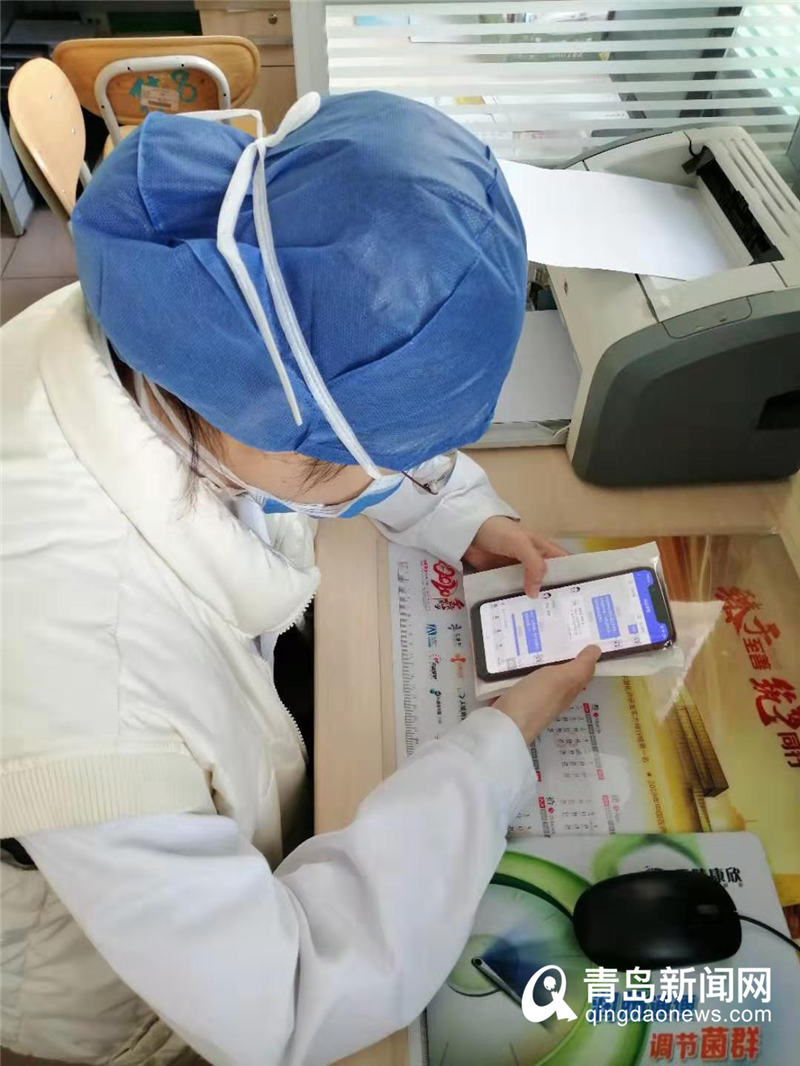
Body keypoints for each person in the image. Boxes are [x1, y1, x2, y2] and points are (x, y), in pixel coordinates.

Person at [0, 91, 598, 1066]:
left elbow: (330, 377)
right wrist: (499, 743)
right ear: (285, 433)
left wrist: (462, 518)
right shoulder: (92, 680)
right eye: (366, 459)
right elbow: (283, 999)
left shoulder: (186, 306)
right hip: (111, 973)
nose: (393, 477)